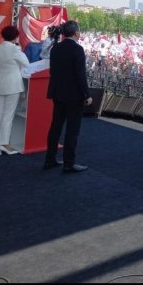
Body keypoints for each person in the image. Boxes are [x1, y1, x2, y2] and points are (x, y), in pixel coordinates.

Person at [44, 20, 93, 173]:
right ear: (76, 33)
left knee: (55, 127)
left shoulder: (56, 48)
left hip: (58, 93)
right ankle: (69, 163)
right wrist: (87, 94)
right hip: (74, 96)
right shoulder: (77, 49)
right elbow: (80, 75)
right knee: (72, 130)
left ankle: (50, 159)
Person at [0, 25, 30, 156]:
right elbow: (27, 64)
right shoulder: (15, 49)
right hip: (13, 84)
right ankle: (4, 143)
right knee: (8, 115)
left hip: (0, 83)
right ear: (15, 37)